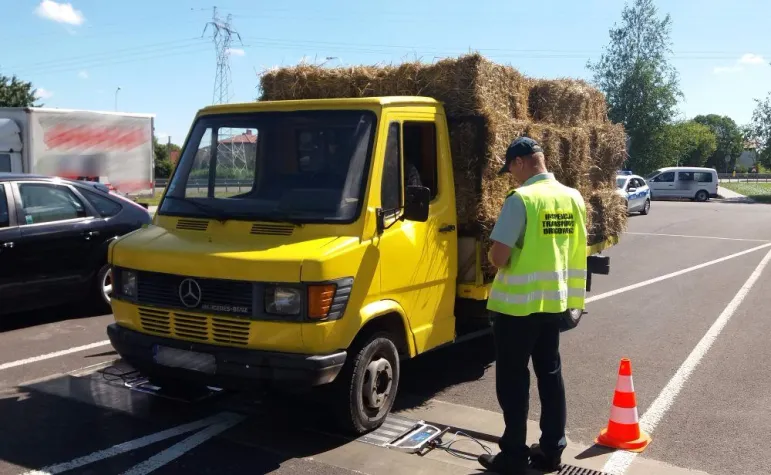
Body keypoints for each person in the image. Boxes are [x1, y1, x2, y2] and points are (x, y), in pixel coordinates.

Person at [478, 137, 588, 474]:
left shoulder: (521, 199)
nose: (510, 176)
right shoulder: (572, 197)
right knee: (550, 374)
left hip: (516, 307)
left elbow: (499, 257)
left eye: (510, 168)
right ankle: (553, 449)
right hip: (553, 303)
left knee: (513, 380)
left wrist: (491, 255)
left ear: (521, 161)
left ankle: (512, 455)